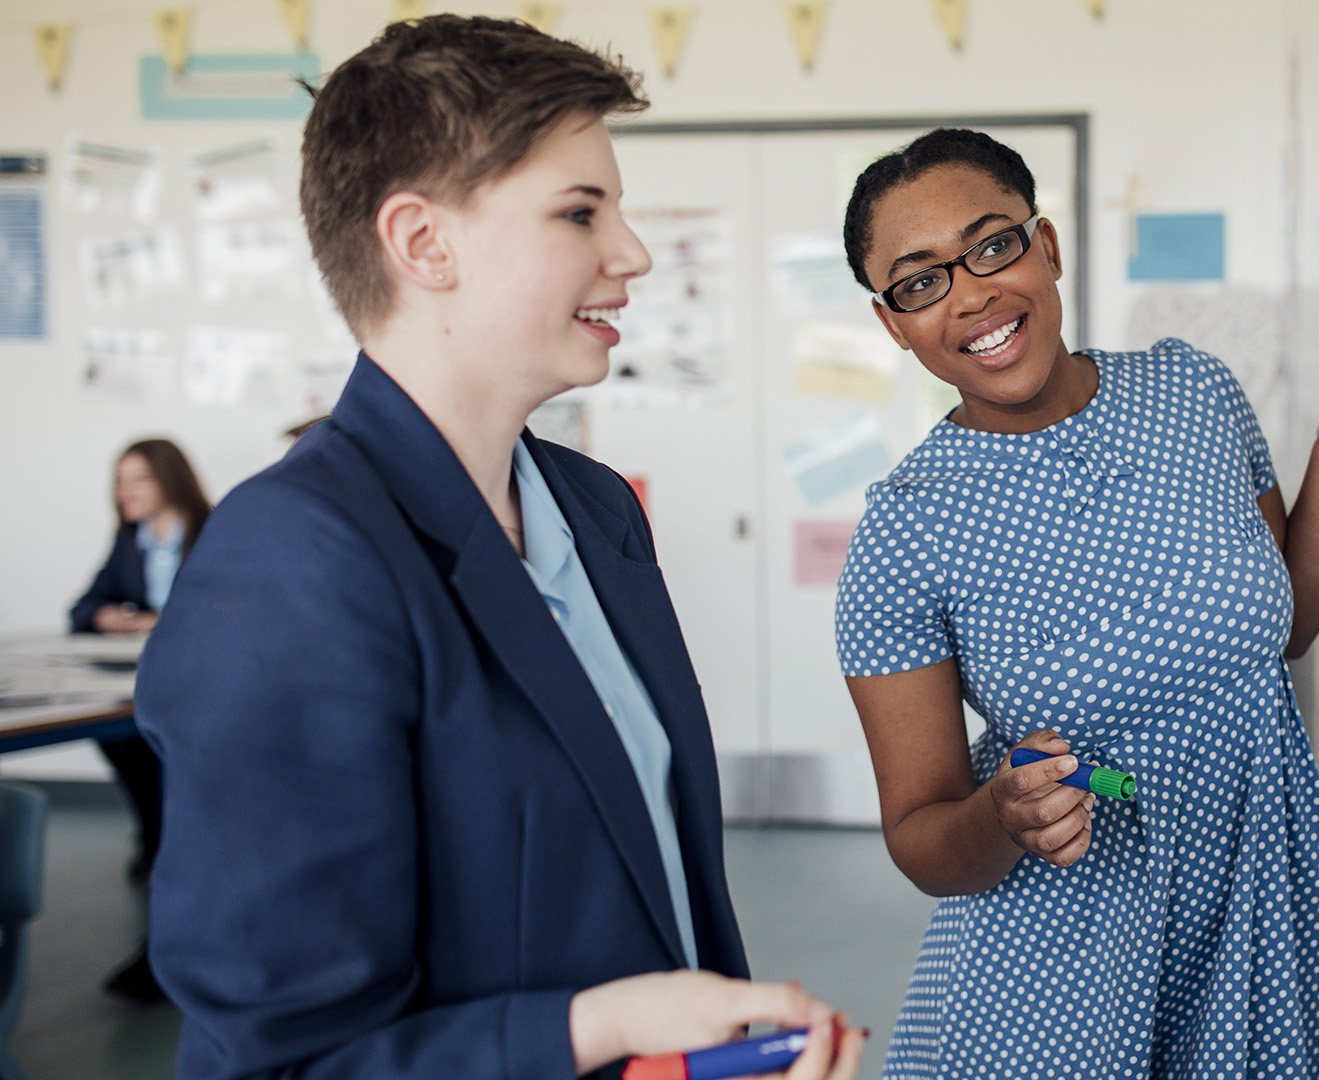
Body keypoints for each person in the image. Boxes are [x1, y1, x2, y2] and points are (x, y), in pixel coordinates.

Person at [134, 17, 863, 1080]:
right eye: (581, 211)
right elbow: (286, 1064)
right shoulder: (291, 562)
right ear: (423, 243)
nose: (635, 253)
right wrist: (603, 1032)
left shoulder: (595, 510)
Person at [834, 129, 1319, 1078]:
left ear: (1046, 247)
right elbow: (920, 833)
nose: (970, 294)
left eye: (991, 245)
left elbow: (1285, 625)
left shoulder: (1192, 393)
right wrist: (1002, 816)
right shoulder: (903, 532)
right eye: (920, 281)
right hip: (1068, 969)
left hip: (1257, 903)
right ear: (894, 324)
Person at [69, 437, 210, 885]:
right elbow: (82, 609)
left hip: (200, 674)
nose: (123, 492)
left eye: (137, 480)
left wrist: (158, 620)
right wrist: (110, 616)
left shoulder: (214, 528)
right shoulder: (130, 541)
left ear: (169, 479)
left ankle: (182, 841)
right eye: (118, 482)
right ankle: (156, 835)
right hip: (144, 675)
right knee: (119, 736)